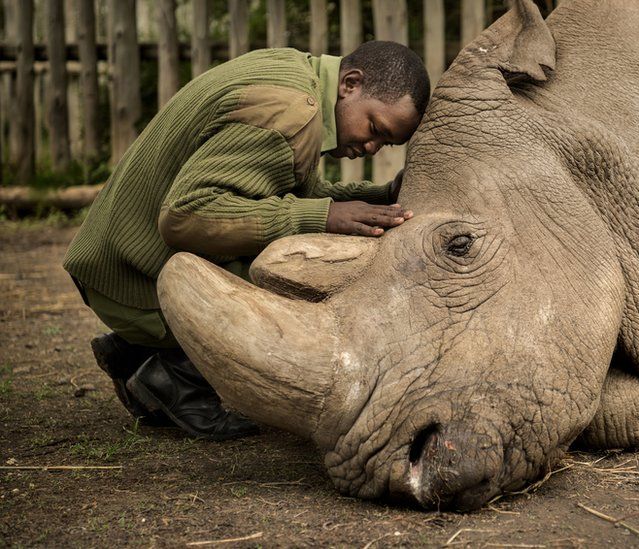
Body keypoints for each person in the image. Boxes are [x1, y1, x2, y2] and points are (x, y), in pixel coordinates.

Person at [62, 41, 431, 440]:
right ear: (350, 84)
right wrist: (322, 217)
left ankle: (135, 351)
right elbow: (185, 217)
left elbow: (284, 194)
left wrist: (379, 198)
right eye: (375, 128)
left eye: (386, 143)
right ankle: (172, 374)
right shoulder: (289, 114)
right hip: (129, 279)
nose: (372, 147)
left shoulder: (296, 75)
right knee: (302, 273)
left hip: (114, 260)